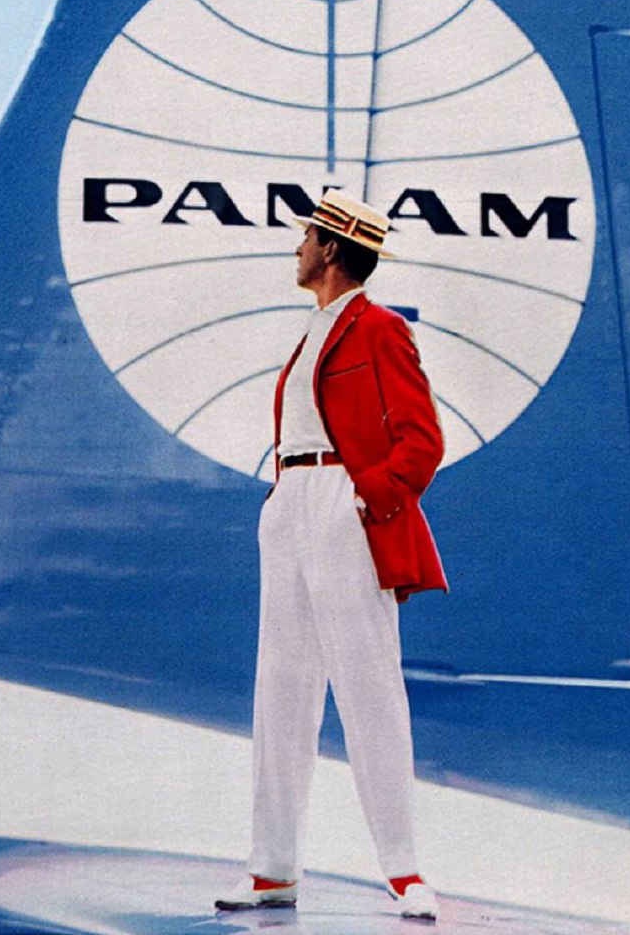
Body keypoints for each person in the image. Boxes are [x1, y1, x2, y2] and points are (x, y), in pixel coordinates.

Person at [215, 188, 447, 921]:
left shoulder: (379, 328)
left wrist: (364, 499)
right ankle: (271, 869)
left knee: (367, 684)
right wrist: (284, 503)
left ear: (333, 249)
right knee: (280, 688)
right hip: (292, 500)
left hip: (340, 501)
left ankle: (405, 871)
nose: (297, 247)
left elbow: (422, 440)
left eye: (308, 237)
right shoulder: (315, 329)